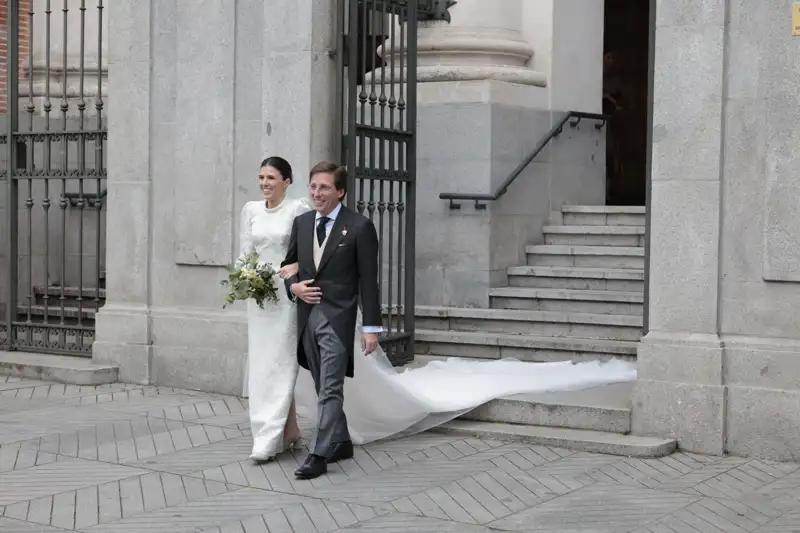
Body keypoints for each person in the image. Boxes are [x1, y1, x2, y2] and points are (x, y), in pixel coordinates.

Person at [281, 161, 383, 480]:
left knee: (331, 387)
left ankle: (319, 453)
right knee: (321, 383)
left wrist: (371, 329)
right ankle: (340, 441)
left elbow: (369, 280)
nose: (316, 193)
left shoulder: (359, 226)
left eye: (324, 187)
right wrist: (293, 287)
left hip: (338, 318)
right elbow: (288, 266)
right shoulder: (302, 223)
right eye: (313, 186)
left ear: (340, 191)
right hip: (308, 317)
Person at [238, 156, 311, 463]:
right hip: (259, 297)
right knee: (263, 363)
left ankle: (267, 437)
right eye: (261, 177)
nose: (265, 183)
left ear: (286, 182)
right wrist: (245, 279)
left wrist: (294, 269)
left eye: (271, 178)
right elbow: (245, 253)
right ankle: (289, 429)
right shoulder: (250, 210)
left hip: (286, 296)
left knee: (281, 362)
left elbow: (309, 252)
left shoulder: (298, 209)